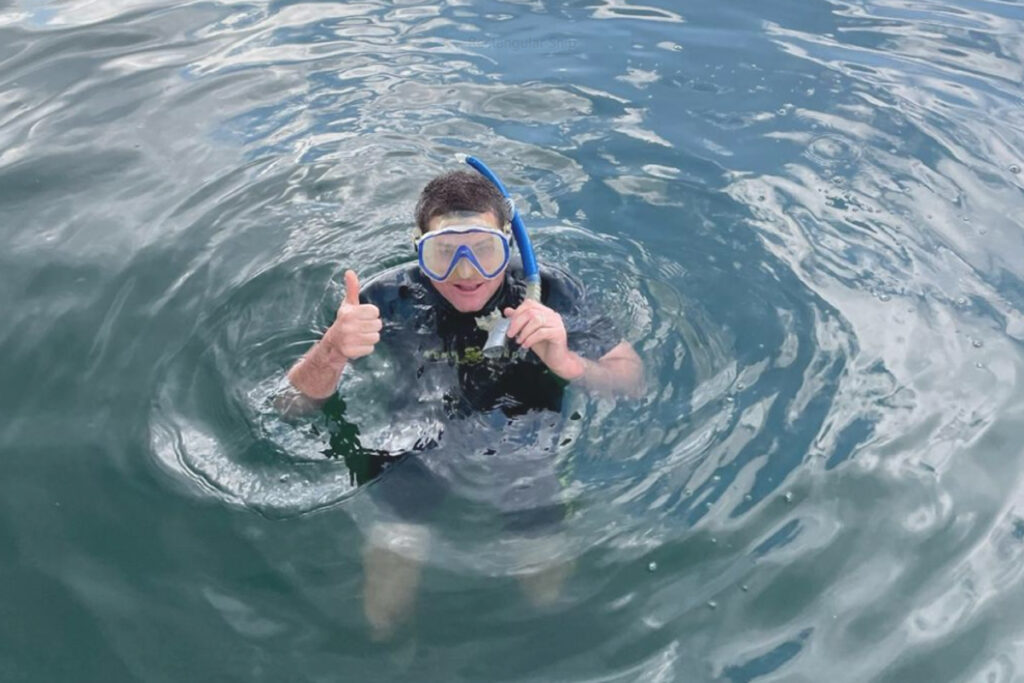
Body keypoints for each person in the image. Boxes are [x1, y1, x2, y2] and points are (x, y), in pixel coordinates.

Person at [285, 169, 644, 640]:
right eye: (445, 252)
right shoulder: (384, 301)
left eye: (483, 249)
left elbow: (632, 380)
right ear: (419, 249)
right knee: (384, 612)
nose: (467, 271)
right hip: (415, 442)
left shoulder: (551, 294)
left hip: (525, 439)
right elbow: (291, 408)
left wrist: (567, 362)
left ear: (508, 246)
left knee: (546, 591)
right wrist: (332, 350)